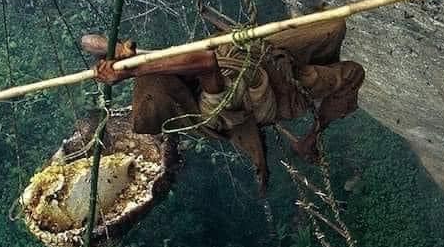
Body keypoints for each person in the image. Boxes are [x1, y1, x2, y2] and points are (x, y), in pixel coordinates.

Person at [81, 16, 365, 193]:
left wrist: (118, 53)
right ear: (175, 97)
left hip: (264, 53)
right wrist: (132, 71)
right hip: (282, 89)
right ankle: (313, 135)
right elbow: (205, 61)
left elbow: (87, 41)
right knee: (351, 73)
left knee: (334, 26)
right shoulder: (207, 112)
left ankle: (321, 60)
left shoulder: (172, 72)